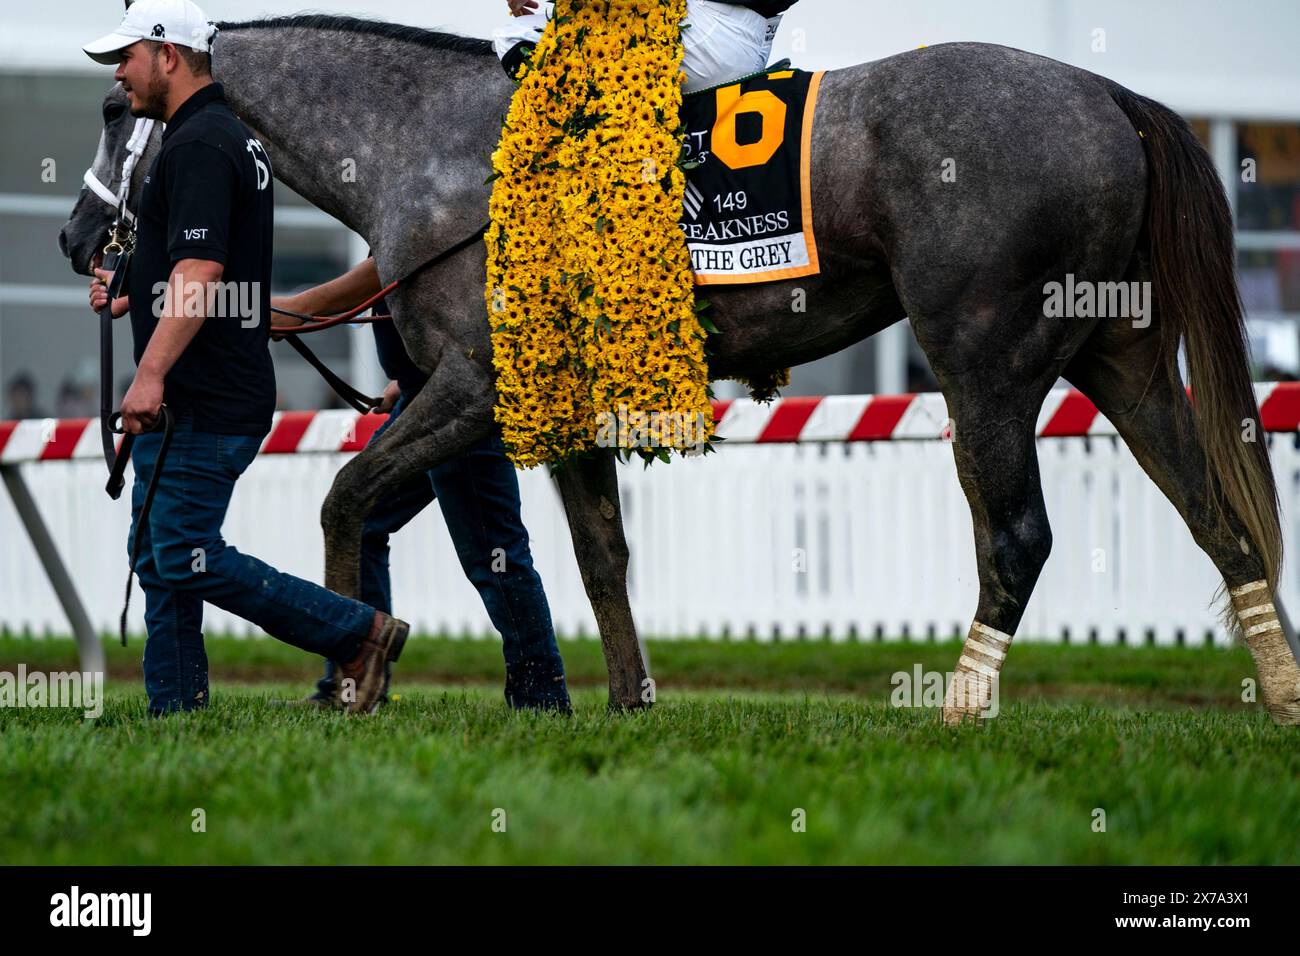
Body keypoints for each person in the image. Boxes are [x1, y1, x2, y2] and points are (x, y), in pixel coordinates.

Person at [83, 0, 406, 716]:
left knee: (183, 553)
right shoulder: (222, 138)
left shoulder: (200, 144)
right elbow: (194, 269)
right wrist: (135, 287)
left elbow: (201, 277)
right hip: (205, 394)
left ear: (168, 55)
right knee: (159, 558)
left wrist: (150, 374)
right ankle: (173, 714)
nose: (118, 74)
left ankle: (357, 633)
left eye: (126, 58)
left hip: (199, 399)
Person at [270, 260, 572, 712]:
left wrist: (296, 309)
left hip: (455, 398)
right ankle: (358, 684)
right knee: (363, 520)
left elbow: (394, 264)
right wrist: (405, 374)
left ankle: (542, 698)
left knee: (496, 555)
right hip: (426, 393)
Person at [496, 0, 800, 91]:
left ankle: (593, 146)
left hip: (712, 32)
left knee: (512, 36)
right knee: (532, 26)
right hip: (741, 35)